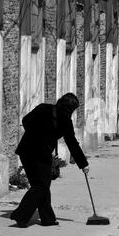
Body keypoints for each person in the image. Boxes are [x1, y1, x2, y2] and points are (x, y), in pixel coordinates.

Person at [10, 93, 90, 228]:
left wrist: (35, 133)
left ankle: (48, 218)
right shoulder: (65, 121)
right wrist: (83, 164)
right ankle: (21, 215)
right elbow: (72, 143)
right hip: (41, 155)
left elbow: (25, 120)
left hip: (26, 151)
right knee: (41, 186)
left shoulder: (43, 108)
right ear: (70, 109)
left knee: (42, 184)